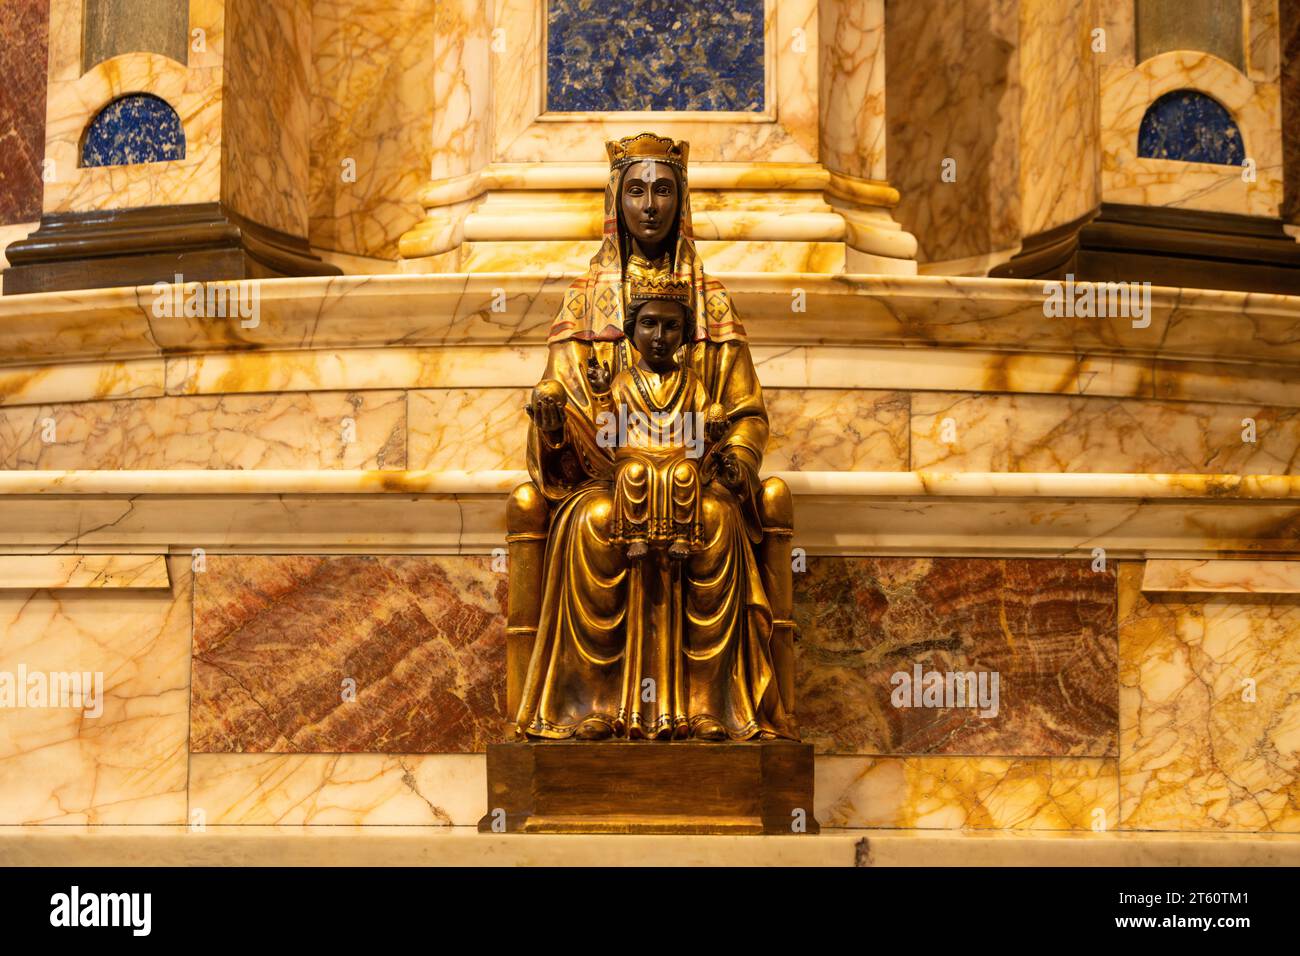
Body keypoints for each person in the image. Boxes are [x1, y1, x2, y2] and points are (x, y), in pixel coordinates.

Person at [514, 131, 797, 742]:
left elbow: (748, 410)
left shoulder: (712, 301)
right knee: (593, 524)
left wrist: (736, 458)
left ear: (681, 198)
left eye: (663, 190)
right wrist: (555, 427)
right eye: (636, 190)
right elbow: (561, 401)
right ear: (616, 199)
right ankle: (590, 706)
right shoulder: (587, 301)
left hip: (697, 478)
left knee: (718, 523)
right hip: (605, 479)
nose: (649, 205)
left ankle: (708, 706)